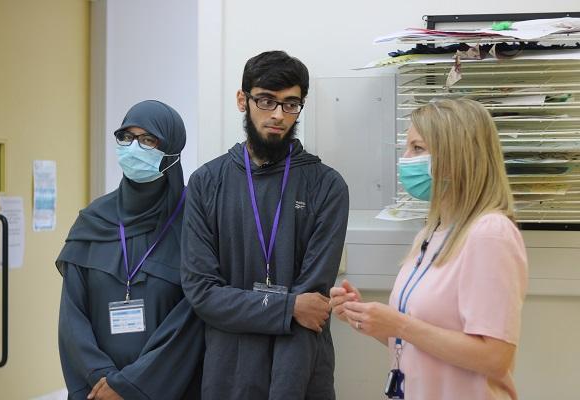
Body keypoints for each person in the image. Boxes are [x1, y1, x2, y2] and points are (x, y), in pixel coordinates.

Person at [330, 99, 528, 400]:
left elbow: (495, 357)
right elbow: (421, 340)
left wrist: (400, 324)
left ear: (456, 156)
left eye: (418, 149)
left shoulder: (490, 233)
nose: (405, 159)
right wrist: (367, 319)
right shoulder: (432, 231)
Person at [180, 50, 349, 400]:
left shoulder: (327, 186)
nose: (278, 115)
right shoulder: (206, 183)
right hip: (227, 375)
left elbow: (313, 305)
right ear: (243, 100)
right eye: (266, 101)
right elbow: (202, 293)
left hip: (301, 375)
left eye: (291, 104)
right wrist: (289, 307)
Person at [56, 100, 203, 400]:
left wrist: (131, 387)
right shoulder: (92, 220)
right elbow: (72, 317)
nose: (134, 148)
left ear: (171, 152)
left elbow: (190, 324)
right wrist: (101, 379)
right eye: (126, 137)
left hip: (169, 389)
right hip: (97, 391)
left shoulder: (195, 224)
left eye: (148, 139)